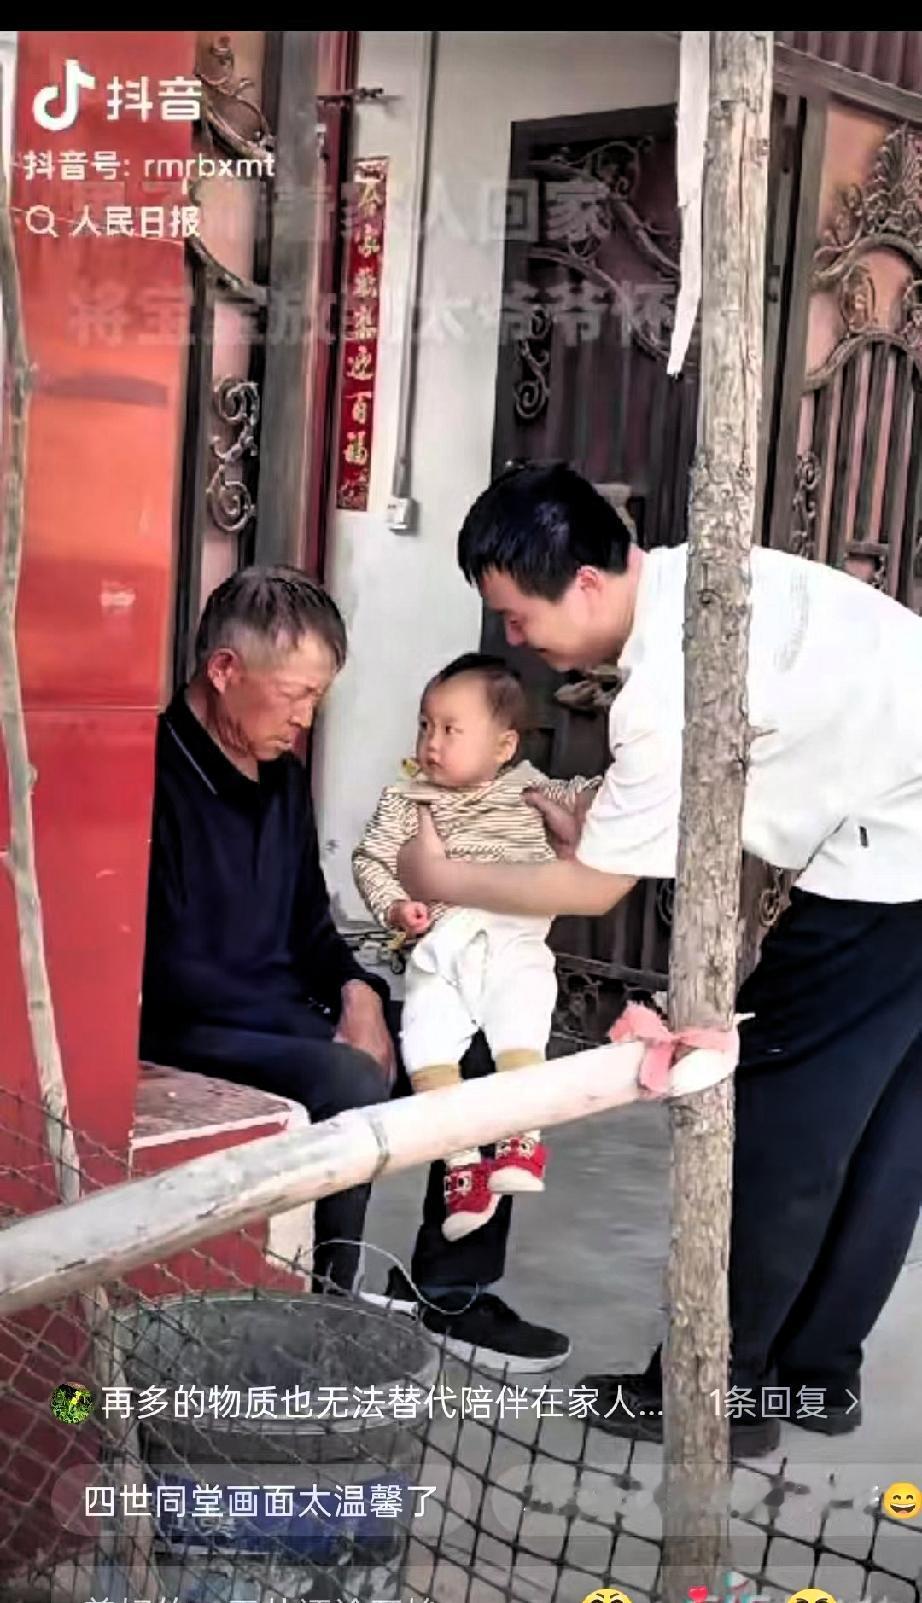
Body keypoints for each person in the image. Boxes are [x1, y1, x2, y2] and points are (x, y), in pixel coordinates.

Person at [397, 461, 922, 1457]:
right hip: (904, 827)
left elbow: (595, 889)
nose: (514, 640)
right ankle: (814, 1377)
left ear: (586, 583)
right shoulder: (710, 572)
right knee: (889, 1125)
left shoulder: (668, 678)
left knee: (773, 1119)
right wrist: (600, 811)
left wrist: (443, 870)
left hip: (894, 863)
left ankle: (712, 1390)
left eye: (516, 616)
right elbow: (694, 776)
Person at [141, 565, 570, 1371]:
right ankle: (329, 1307)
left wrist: (360, 992)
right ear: (225, 670)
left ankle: (451, 1294)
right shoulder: (155, 773)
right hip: (191, 1027)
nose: (305, 720)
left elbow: (311, 927)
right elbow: (171, 969)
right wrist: (328, 1028)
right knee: (345, 1075)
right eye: (295, 694)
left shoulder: (283, 777)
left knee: (473, 1055)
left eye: (318, 698)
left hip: (290, 1011)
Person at [353, 651, 598, 1241]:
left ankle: (521, 1137)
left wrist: (583, 813)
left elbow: (587, 802)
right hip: (440, 952)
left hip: (512, 938)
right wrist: (394, 905)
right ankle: (463, 1168)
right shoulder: (407, 798)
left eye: (451, 730)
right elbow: (371, 858)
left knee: (520, 1025)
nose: (432, 743)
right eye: (425, 725)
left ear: (503, 746)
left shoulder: (531, 790)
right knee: (426, 1046)